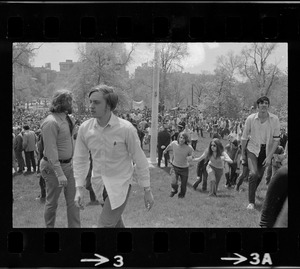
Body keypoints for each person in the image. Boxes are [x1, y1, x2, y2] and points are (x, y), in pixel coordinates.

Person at [73, 85, 154, 228]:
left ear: (109, 105)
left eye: (96, 102)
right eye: (90, 101)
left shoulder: (126, 129)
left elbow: (140, 160)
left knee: (104, 226)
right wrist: (79, 188)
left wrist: (147, 189)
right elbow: (80, 159)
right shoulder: (85, 129)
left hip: (120, 185)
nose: (91, 106)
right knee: (116, 224)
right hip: (98, 184)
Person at [40, 89, 81, 228]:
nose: (73, 104)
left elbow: (71, 140)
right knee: (52, 202)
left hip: (69, 166)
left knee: (74, 201)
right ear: (63, 102)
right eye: (70, 101)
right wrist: (60, 173)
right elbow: (51, 151)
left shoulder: (69, 118)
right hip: (53, 168)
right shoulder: (50, 122)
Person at [241, 96, 281, 210]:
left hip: (266, 150)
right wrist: (243, 154)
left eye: (266, 103)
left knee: (259, 176)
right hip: (252, 149)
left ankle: (251, 191)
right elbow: (244, 137)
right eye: (262, 103)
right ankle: (251, 202)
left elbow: (276, 140)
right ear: (257, 106)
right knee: (253, 174)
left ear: (268, 106)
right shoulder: (250, 119)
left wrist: (269, 156)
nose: (264, 105)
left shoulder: (274, 119)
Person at [163, 132, 194, 198]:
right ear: (178, 138)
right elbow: (169, 146)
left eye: (184, 138)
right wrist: (165, 150)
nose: (182, 139)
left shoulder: (189, 148)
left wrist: (190, 157)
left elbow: (192, 155)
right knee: (173, 181)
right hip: (175, 167)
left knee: (183, 185)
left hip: (184, 168)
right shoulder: (174, 144)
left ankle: (181, 196)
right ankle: (174, 190)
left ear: (186, 139)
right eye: (181, 137)